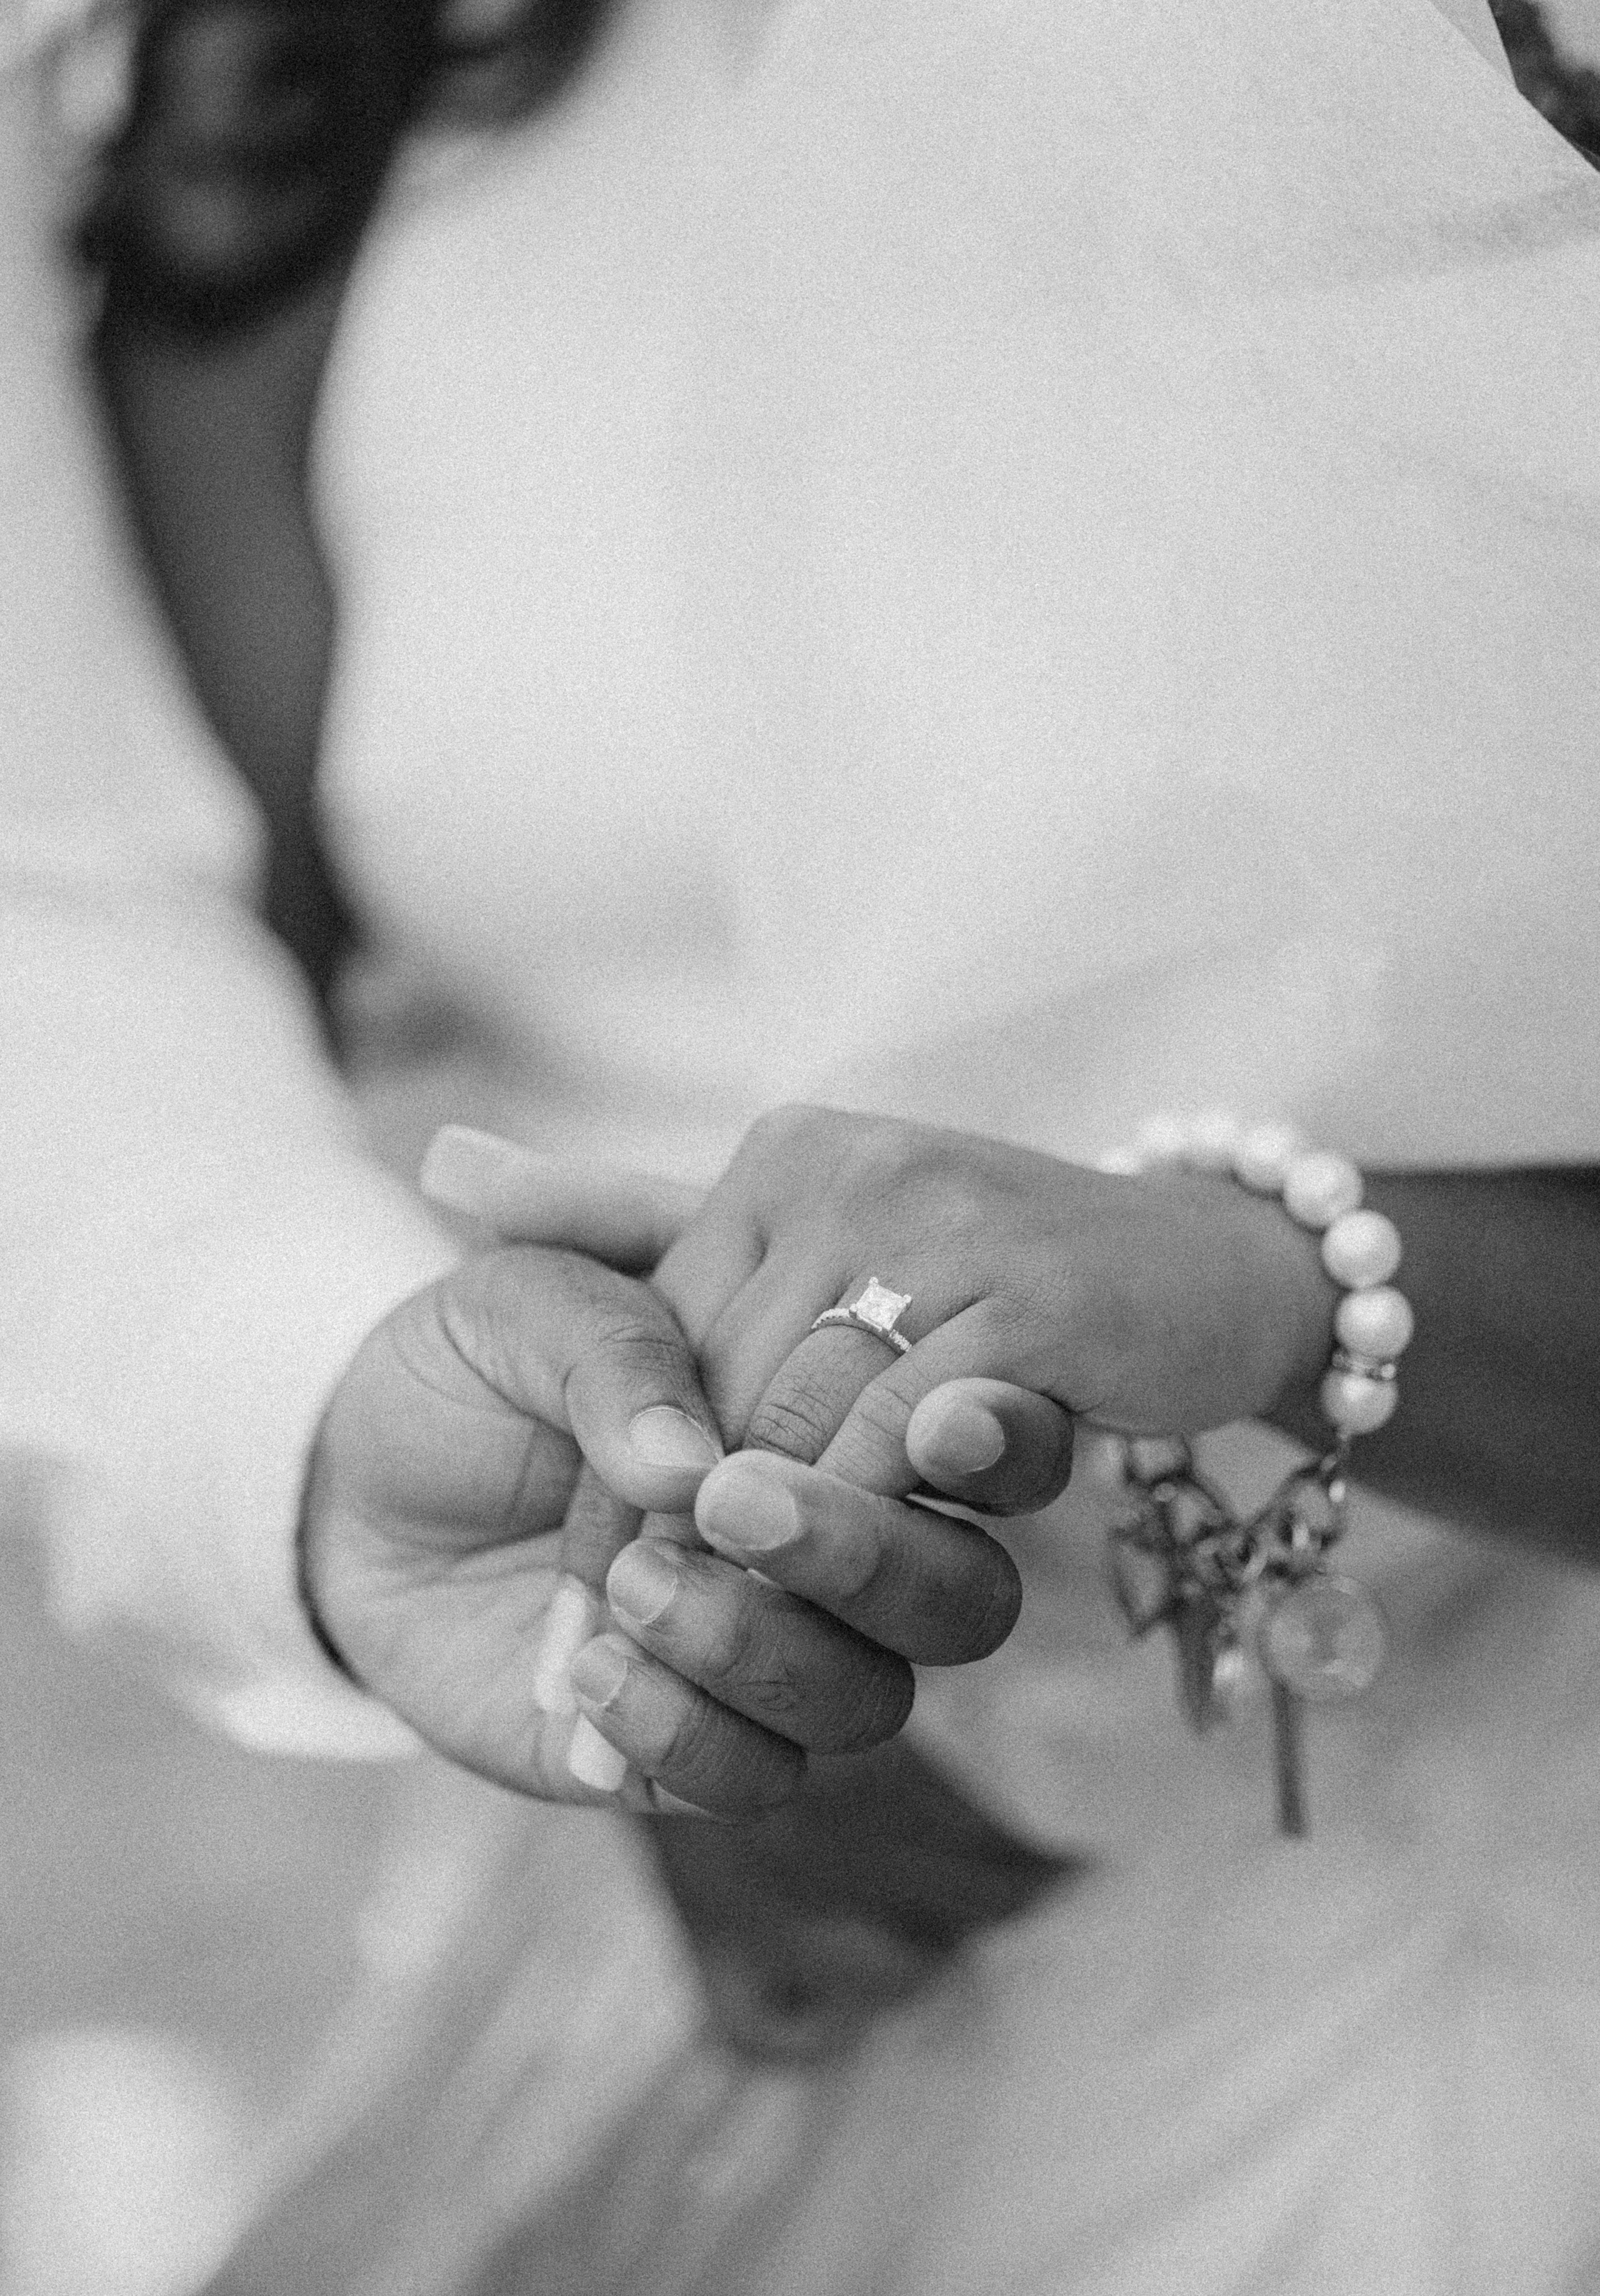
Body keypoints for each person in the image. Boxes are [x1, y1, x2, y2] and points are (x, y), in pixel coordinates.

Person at [6, 0, 1600, 2290]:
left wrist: (1276, 1277)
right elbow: (79, 907)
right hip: (759, 1940)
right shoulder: (299, 99)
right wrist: (536, 1494)